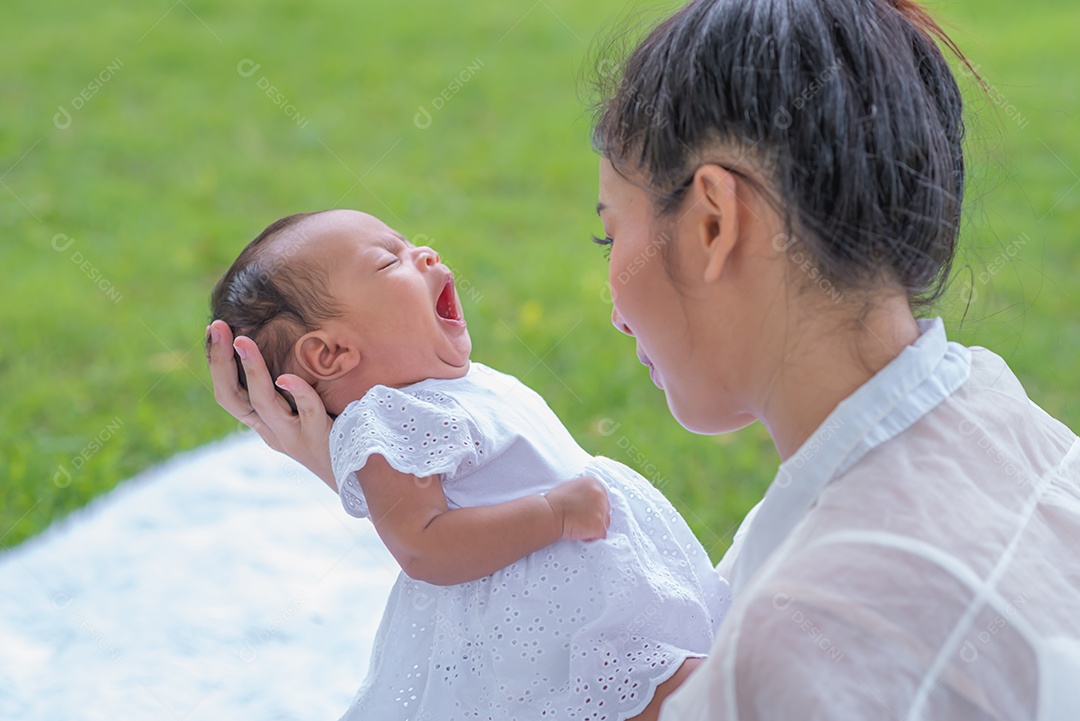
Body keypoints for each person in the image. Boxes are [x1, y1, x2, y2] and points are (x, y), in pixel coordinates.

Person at [210, 0, 1080, 718]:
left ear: (712, 224)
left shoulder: (795, 652)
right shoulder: (1015, 433)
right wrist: (370, 472)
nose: (616, 309)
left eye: (609, 230)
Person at [206, 209, 730, 720]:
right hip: (540, 632)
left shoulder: (452, 387)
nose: (426, 253)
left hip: (592, 600)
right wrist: (555, 514)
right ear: (331, 354)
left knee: (687, 679)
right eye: (390, 263)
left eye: (409, 245)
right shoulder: (386, 417)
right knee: (671, 691)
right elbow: (421, 543)